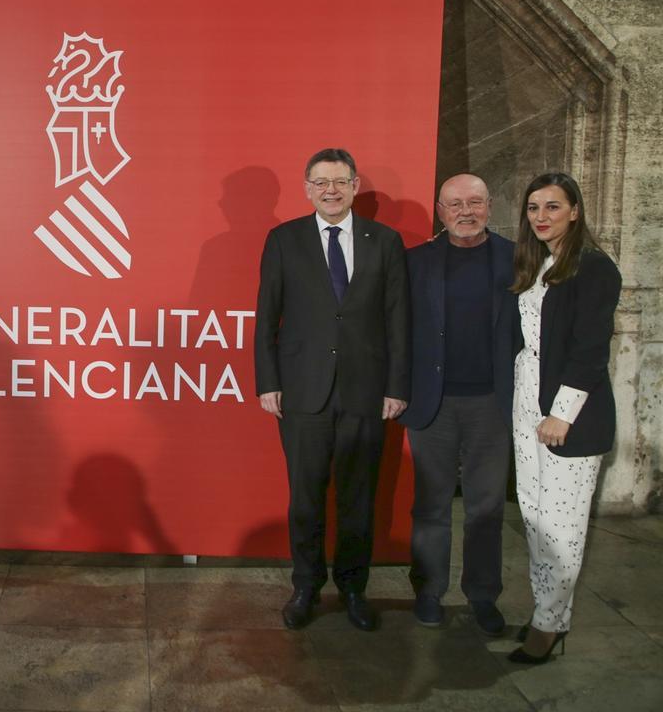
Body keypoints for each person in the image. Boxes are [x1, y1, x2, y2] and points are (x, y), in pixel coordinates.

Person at [255, 148, 410, 631]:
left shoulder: (385, 242)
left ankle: (353, 588)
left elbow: (398, 320)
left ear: (355, 186)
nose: (331, 190)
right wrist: (268, 381)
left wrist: (396, 386)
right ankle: (305, 586)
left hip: (367, 391)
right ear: (307, 189)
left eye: (340, 181)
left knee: (357, 499)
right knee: (305, 498)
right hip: (303, 391)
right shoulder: (284, 240)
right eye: (321, 182)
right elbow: (266, 318)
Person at [508, 172, 620, 665]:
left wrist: (561, 414)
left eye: (552, 206)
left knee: (560, 526)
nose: (541, 216)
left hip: (569, 416)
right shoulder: (538, 264)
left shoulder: (594, 268)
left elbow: (591, 351)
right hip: (526, 402)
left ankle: (548, 624)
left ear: (575, 211)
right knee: (533, 516)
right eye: (533, 208)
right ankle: (548, 613)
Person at [401, 174, 515, 635]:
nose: (465, 212)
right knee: (431, 504)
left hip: (493, 404)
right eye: (455, 204)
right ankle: (428, 592)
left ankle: (482, 596)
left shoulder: (518, 259)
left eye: (474, 202)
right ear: (440, 211)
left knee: (486, 507)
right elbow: (397, 332)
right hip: (433, 403)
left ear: (489, 206)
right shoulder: (415, 262)